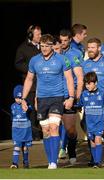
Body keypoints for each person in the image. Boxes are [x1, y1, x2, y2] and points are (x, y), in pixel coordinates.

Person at [21, 34, 74, 169]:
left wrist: (71, 97)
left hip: (57, 98)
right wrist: (23, 98)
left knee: (54, 127)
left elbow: (69, 79)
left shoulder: (62, 59)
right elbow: (29, 79)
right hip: (42, 99)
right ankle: (50, 159)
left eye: (47, 46)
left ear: (52, 46)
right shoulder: (34, 60)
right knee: (45, 131)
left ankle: (53, 162)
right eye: (42, 46)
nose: (44, 49)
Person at [82, 38, 104, 165]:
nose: (90, 50)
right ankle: (94, 159)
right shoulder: (85, 64)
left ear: (99, 48)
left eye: (93, 47)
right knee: (89, 129)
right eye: (89, 48)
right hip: (90, 102)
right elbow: (82, 82)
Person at [77, 72, 104, 167]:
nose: (87, 86)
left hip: (100, 121)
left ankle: (97, 162)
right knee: (92, 142)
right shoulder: (84, 94)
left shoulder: (103, 93)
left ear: (95, 83)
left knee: (98, 140)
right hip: (89, 122)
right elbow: (79, 105)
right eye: (86, 84)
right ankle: (94, 161)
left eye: (89, 83)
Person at [59, 29, 84, 164]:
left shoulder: (75, 54)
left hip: (70, 93)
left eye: (65, 41)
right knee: (54, 125)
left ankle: (71, 149)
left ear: (70, 40)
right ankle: (61, 150)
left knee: (70, 129)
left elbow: (80, 76)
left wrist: (77, 95)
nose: (62, 43)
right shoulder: (55, 52)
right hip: (56, 93)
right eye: (60, 40)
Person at [15, 25, 42, 140]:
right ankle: (34, 136)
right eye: (38, 34)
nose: (40, 36)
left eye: (41, 34)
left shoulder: (43, 46)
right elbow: (18, 64)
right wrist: (32, 68)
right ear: (31, 35)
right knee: (32, 113)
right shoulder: (23, 48)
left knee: (42, 110)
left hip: (43, 84)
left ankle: (44, 134)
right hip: (31, 85)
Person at [10, 85, 32, 169]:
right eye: (16, 98)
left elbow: (30, 111)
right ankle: (14, 163)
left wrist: (27, 109)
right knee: (16, 147)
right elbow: (12, 118)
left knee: (25, 148)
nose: (18, 100)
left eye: (20, 98)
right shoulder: (13, 106)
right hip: (16, 131)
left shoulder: (27, 105)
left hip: (26, 131)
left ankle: (26, 162)